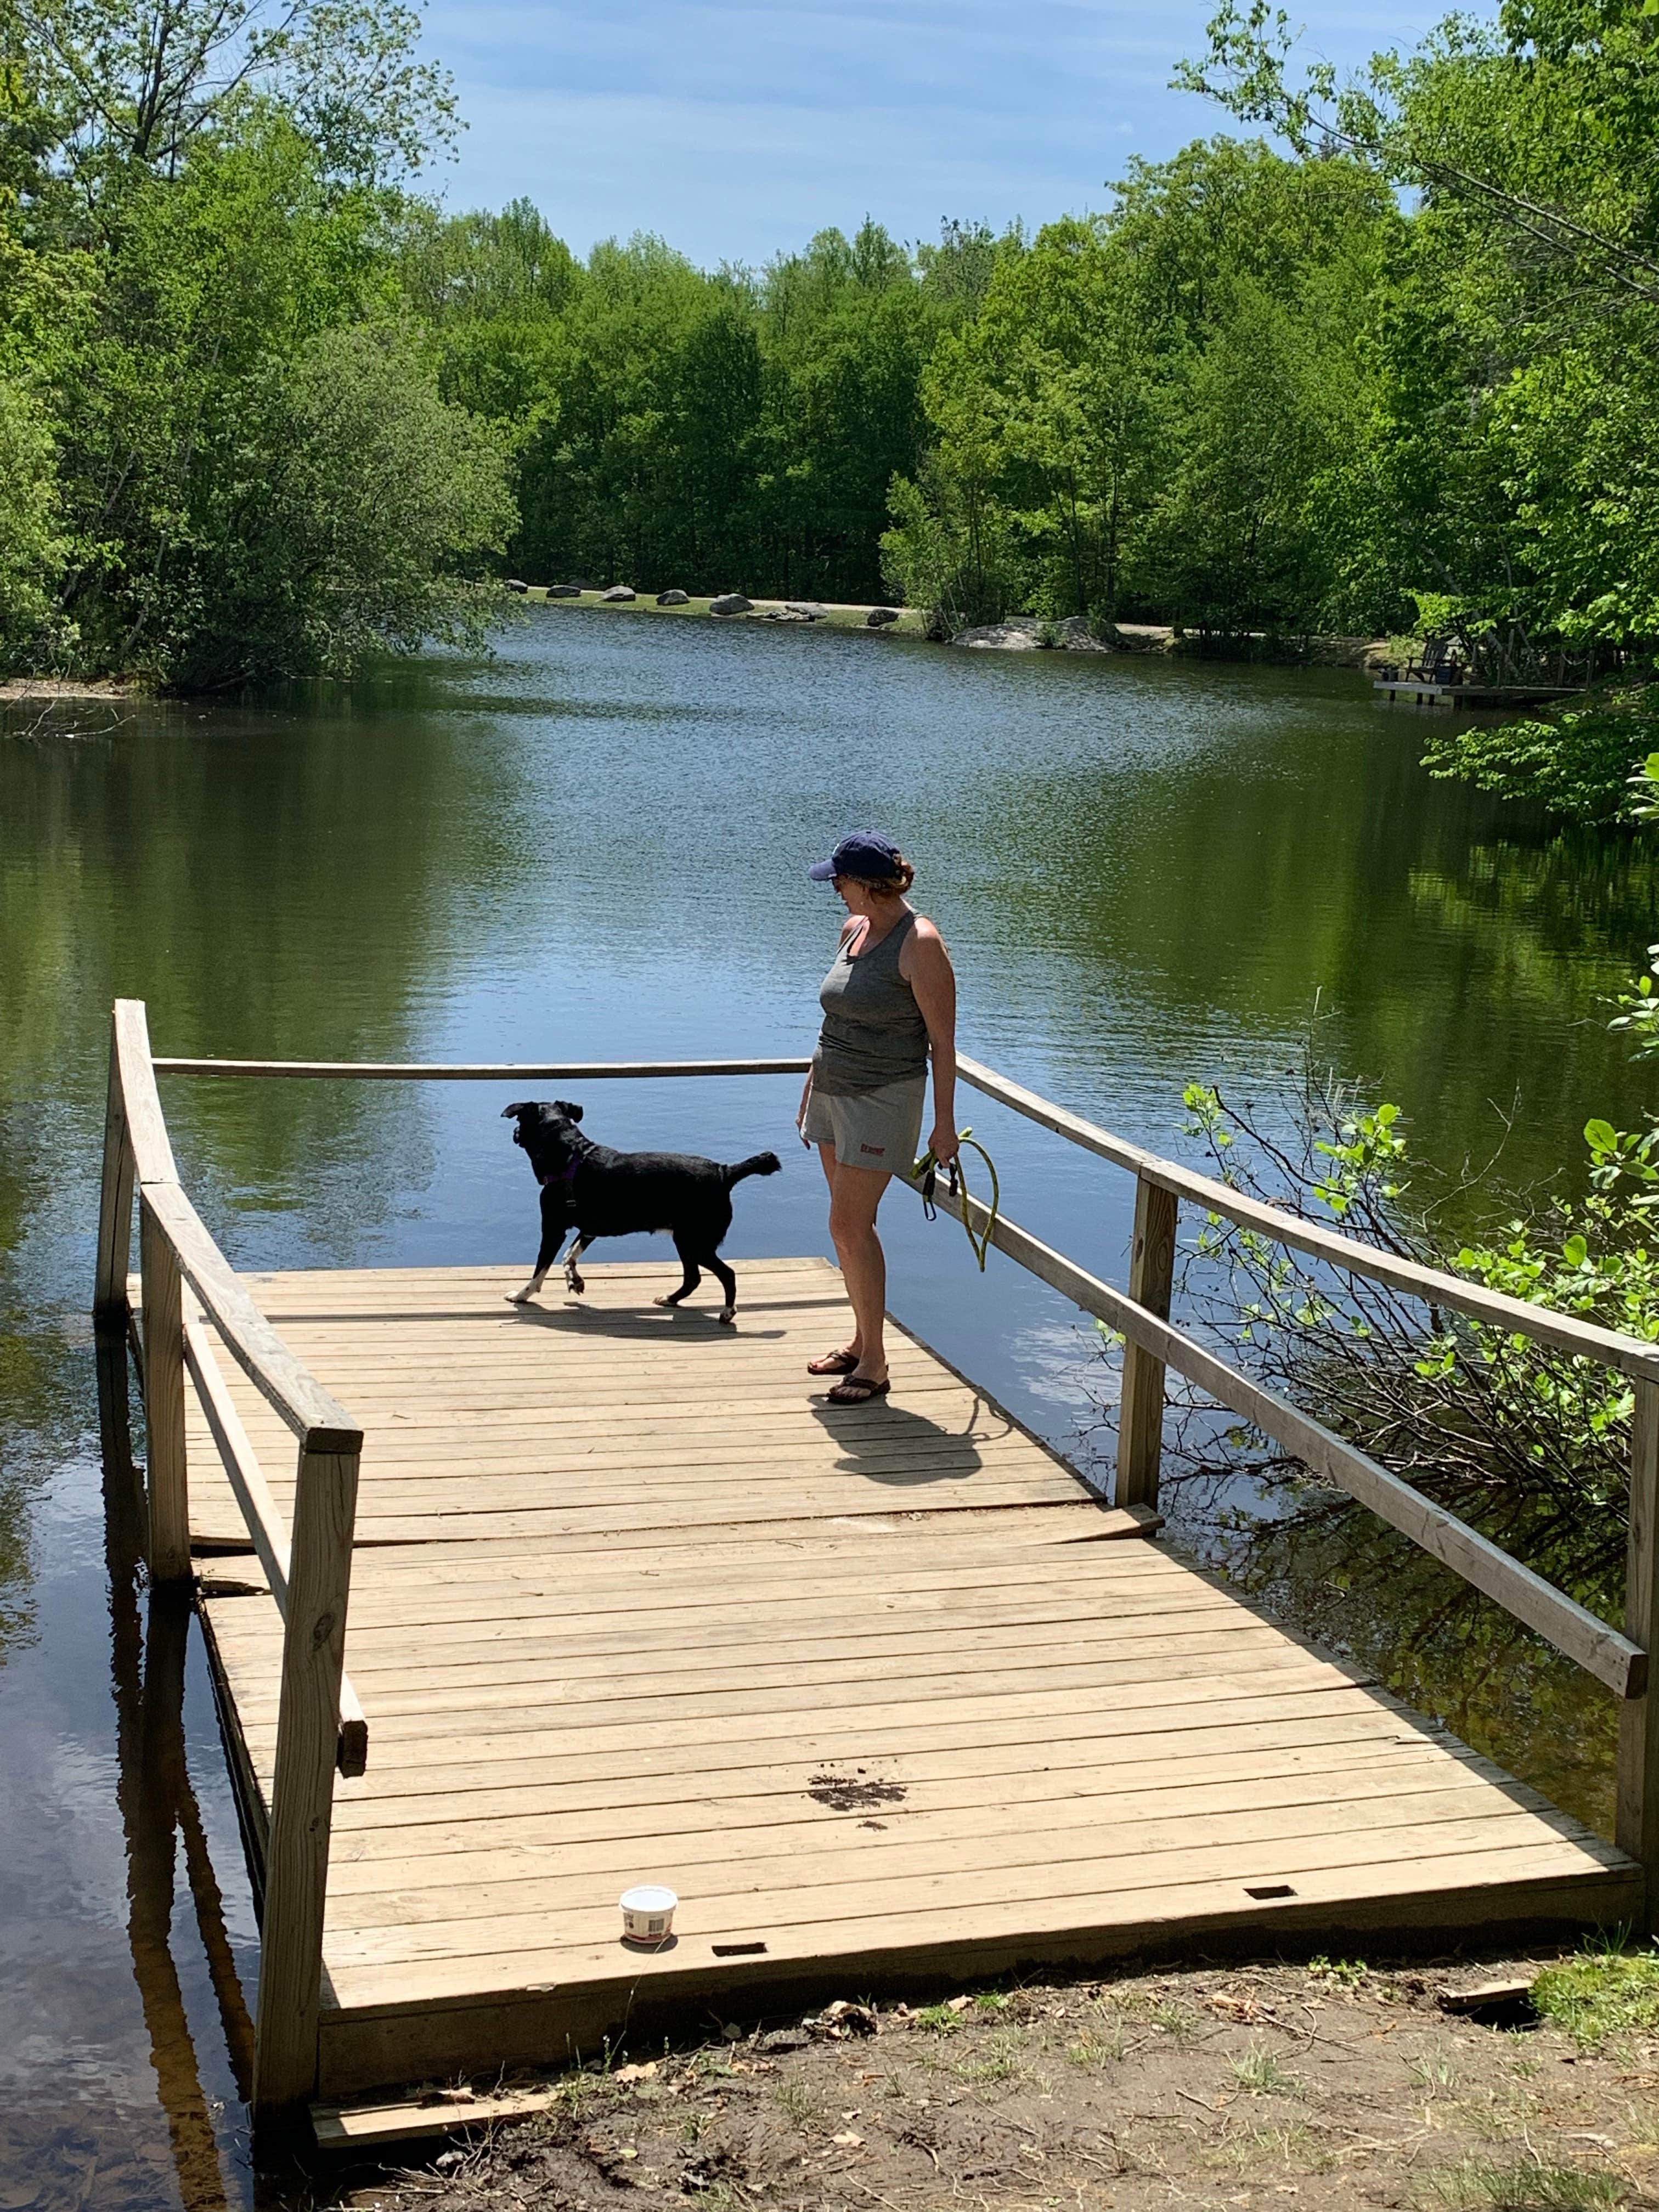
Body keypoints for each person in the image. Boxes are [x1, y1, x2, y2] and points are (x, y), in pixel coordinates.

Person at [797, 831, 959, 1404]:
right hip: (834, 1094)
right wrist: (812, 1084)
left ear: (867, 885)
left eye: (839, 882)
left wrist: (943, 1127)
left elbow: (943, 1043)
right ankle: (863, 1340)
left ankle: (878, 1364)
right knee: (848, 1226)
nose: (835, 891)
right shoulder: (853, 931)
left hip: (884, 1097)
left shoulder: (921, 944)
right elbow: (834, 1020)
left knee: (848, 1224)